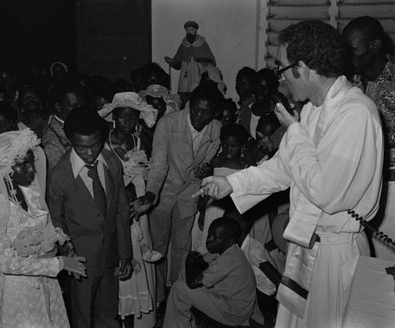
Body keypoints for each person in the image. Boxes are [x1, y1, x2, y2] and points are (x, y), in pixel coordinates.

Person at [194, 20, 384, 328]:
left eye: (282, 69)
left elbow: (325, 193)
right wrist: (230, 183)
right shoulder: (312, 110)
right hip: (307, 247)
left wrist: (294, 132)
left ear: (303, 68)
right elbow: (285, 167)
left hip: (335, 253)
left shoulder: (356, 113)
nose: (280, 81)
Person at [0, 128, 86, 327]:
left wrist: (63, 247)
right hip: (19, 291)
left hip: (47, 282)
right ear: (4, 167)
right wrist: (59, 264)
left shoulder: (29, 189)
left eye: (31, 162)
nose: (32, 170)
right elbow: (6, 263)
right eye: (23, 165)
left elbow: (47, 228)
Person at [132, 85, 223, 310]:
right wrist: (151, 194)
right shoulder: (168, 123)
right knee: (158, 247)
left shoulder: (217, 129)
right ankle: (158, 294)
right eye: (196, 110)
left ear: (215, 114)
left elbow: (209, 161)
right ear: (189, 106)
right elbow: (159, 165)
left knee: (182, 247)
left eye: (206, 113)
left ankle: (177, 293)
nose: (199, 117)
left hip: (189, 194)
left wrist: (206, 169)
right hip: (163, 192)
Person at [47, 108, 133, 328]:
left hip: (110, 255)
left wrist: (125, 254)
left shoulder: (112, 163)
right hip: (81, 262)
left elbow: (122, 211)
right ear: (70, 141)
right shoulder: (59, 177)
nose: (89, 153)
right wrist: (69, 253)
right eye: (81, 148)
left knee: (108, 314)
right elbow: (56, 221)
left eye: (95, 145)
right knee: (82, 316)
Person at [99, 92, 160, 328]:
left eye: (133, 117)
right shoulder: (104, 144)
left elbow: (149, 172)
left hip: (139, 210)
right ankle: (121, 316)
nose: (128, 122)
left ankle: (140, 319)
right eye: (123, 117)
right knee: (123, 254)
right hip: (118, 211)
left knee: (141, 254)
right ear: (114, 117)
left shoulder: (139, 141)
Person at [342, 16, 395, 260]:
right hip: (356, 185)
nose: (347, 57)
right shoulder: (349, 82)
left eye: (353, 50)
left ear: (374, 46)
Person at [163, 217, 257, 328]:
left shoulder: (229, 259)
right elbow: (200, 260)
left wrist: (190, 263)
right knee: (185, 273)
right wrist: (193, 263)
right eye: (209, 234)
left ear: (230, 241)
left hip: (235, 313)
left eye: (215, 237)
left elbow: (192, 283)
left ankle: (177, 323)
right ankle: (183, 321)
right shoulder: (227, 250)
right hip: (230, 301)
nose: (209, 240)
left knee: (179, 288)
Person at [192, 124, 251, 254]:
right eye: (225, 145)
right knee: (206, 243)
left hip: (232, 211)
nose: (228, 149)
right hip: (213, 207)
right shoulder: (216, 162)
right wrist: (202, 211)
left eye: (233, 146)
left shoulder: (245, 166)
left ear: (241, 146)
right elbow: (207, 189)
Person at [164, 21, 216, 103]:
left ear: (195, 31)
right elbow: (177, 63)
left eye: (191, 30)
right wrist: (171, 61)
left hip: (198, 75)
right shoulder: (183, 45)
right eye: (187, 30)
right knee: (184, 98)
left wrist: (203, 62)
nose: (189, 32)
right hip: (185, 78)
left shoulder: (203, 44)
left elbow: (211, 62)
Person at [42, 85, 85, 169]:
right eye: (74, 106)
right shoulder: (52, 144)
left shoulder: (78, 121)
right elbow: (58, 179)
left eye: (81, 105)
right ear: (58, 106)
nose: (80, 110)